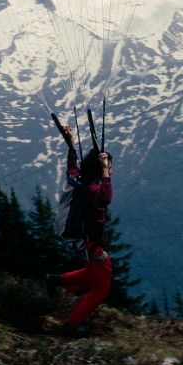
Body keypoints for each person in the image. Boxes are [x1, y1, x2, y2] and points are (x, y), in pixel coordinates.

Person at [47, 125, 113, 337]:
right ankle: (71, 325)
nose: (110, 169)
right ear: (99, 168)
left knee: (96, 276)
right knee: (101, 287)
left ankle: (58, 280)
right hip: (91, 245)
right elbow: (106, 197)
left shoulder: (77, 181)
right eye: (108, 166)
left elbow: (71, 166)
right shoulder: (93, 189)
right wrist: (104, 171)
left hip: (81, 243)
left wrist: (71, 145)